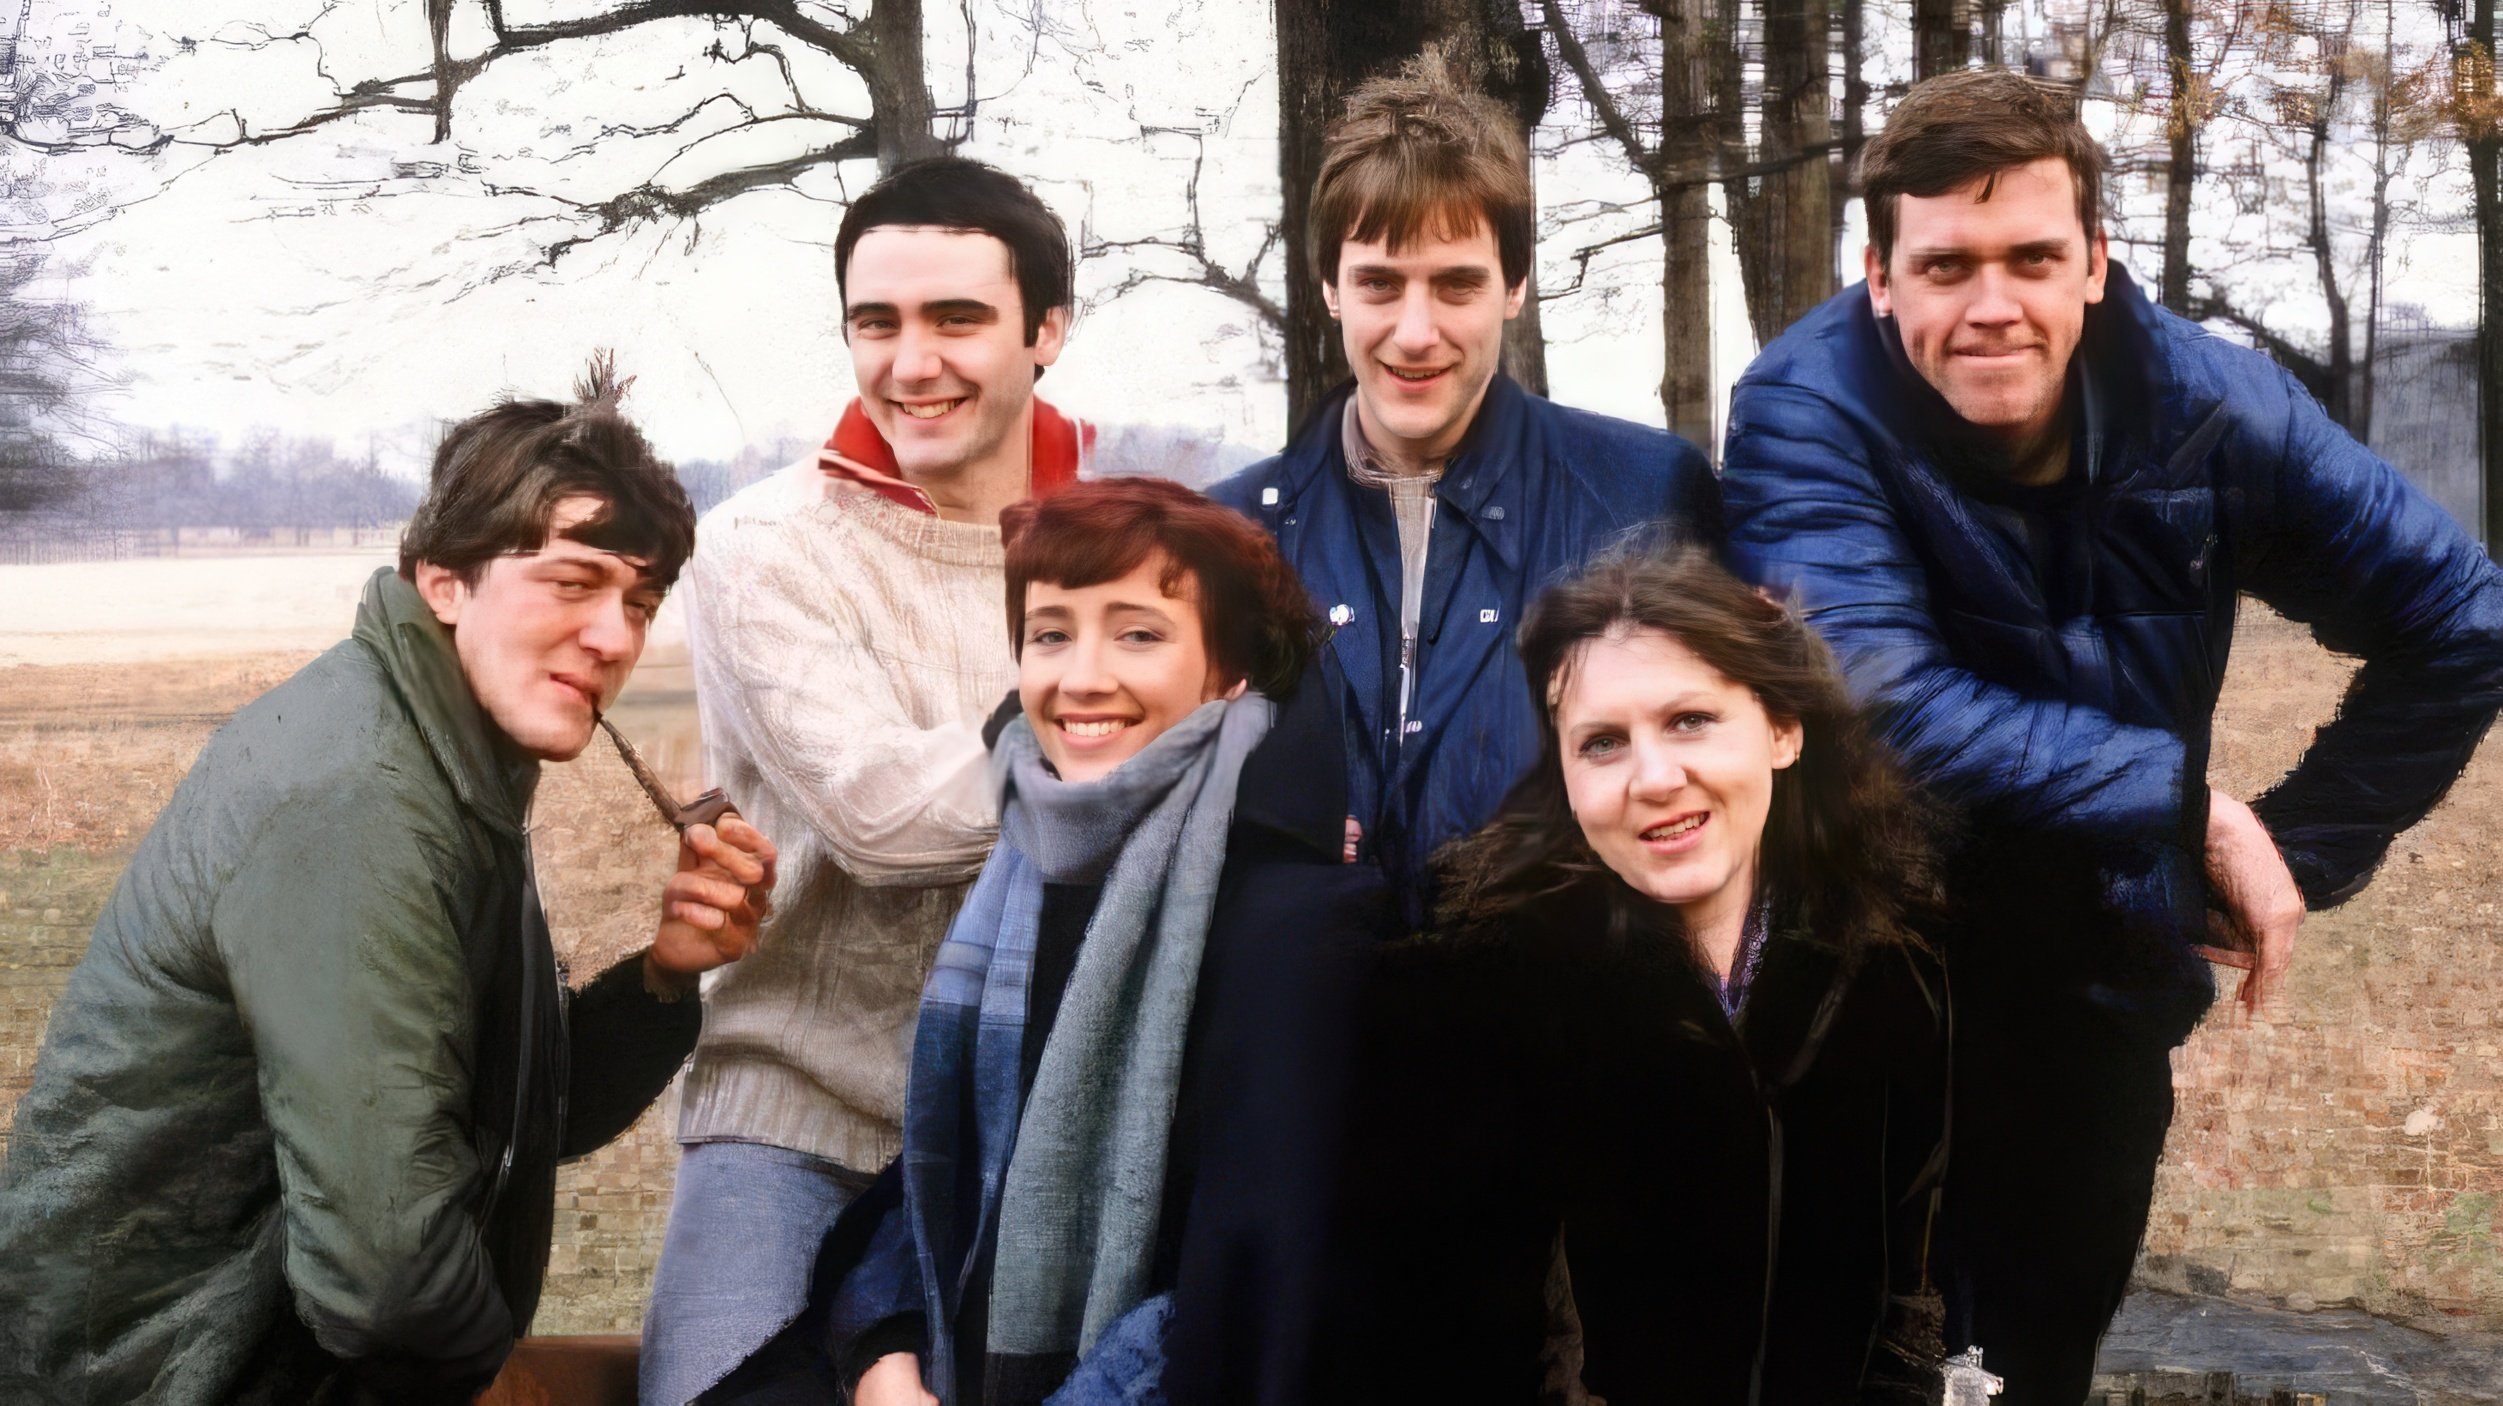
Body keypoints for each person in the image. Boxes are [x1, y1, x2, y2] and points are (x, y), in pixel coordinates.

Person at [1719, 68, 2503, 1405]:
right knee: (1831, 1363)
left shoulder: (2218, 413)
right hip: (1848, 974)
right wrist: (2183, 800)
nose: (1989, 306)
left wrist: (2284, 854)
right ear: (1876, 276)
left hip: (2087, 983)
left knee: (2025, 1370)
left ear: (2093, 262)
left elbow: (2460, 621)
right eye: (1944, 264)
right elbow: (1871, 695)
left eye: (2030, 257)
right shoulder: (1805, 408)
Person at [0, 358, 777, 1403]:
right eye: (572, 581)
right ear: (443, 581)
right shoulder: (360, 795)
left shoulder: (455, 761)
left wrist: (663, 979)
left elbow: (495, 1127)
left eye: (639, 599)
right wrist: (489, 1372)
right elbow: (387, 1274)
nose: (616, 636)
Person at [644, 156, 1099, 1403]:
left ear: (1046, 329)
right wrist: (1099, 718)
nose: (912, 361)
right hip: (802, 1111)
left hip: (1043, 1116)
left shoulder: (1127, 538)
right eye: (876, 322)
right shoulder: (763, 546)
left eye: (957, 318)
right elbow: (879, 816)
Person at [822, 477, 1388, 1406]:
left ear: (1230, 671)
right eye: (1050, 633)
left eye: (1138, 633)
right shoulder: (1017, 888)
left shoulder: (1304, 925)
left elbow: (1255, 1286)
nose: (1079, 677)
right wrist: (883, 1356)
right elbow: (946, 1185)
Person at [1338, 547, 1949, 1404]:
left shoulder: (1891, 977)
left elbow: (1903, 1300)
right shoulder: (1459, 1005)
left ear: (1781, 729)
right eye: (1601, 743)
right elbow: (1439, 1343)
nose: (1654, 779)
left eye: (1690, 720)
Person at [1209, 62, 1720, 924]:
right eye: (1379, 282)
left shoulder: (1643, 495)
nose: (1415, 333)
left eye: (1456, 284)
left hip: (1560, 1011)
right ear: (1329, 287)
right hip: (1311, 1024)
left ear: (1513, 287)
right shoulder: (1227, 532)